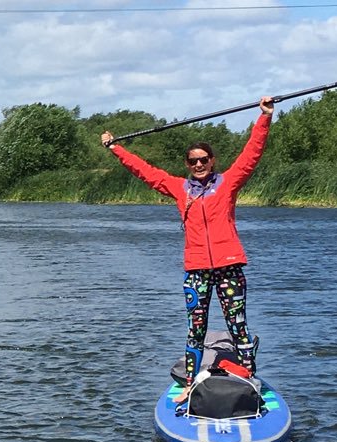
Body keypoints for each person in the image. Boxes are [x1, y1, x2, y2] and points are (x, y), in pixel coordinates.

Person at [100, 96, 274, 388]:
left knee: (238, 328)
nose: (199, 164)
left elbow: (251, 154)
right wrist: (116, 148)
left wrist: (265, 117)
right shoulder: (180, 189)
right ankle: (191, 384)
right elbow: (145, 171)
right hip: (196, 271)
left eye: (203, 160)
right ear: (187, 164)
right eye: (193, 161)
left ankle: (249, 380)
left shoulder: (228, 183)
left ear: (212, 161)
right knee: (196, 330)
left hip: (229, 267)